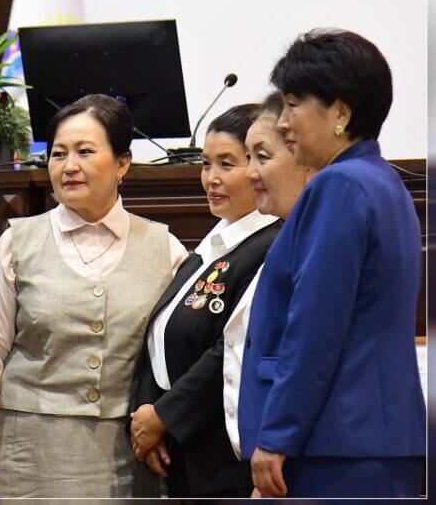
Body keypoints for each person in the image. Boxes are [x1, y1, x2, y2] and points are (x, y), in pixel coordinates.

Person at [0, 94, 189, 498]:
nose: (68, 166)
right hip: (25, 454)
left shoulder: (165, 249)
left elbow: (175, 359)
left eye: (85, 152)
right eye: (57, 154)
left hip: (127, 455)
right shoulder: (15, 244)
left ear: (122, 163)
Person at [239, 29, 426, 498]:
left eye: (293, 105)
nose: (283, 122)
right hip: (377, 440)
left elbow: (315, 324)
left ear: (340, 112)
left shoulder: (338, 185)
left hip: (334, 444)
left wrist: (276, 435)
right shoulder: (385, 182)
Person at [129, 104, 282, 497]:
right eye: (205, 163)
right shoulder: (213, 242)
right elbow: (158, 332)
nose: (211, 178)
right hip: (181, 446)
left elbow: (230, 350)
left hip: (223, 452)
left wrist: (163, 416)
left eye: (226, 164)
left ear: (257, 168)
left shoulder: (271, 244)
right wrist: (147, 411)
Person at [222, 92, 313, 463]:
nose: (249, 173)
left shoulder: (315, 238)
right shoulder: (289, 235)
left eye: (262, 156)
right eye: (249, 157)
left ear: (304, 155)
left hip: (297, 455)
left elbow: (309, 353)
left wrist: (275, 443)